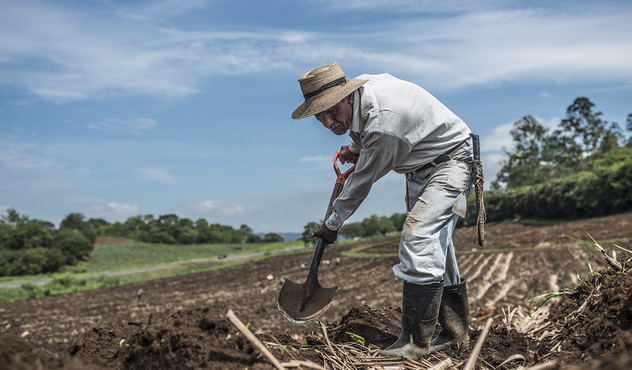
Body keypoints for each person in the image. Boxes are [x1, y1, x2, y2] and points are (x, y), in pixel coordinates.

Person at [292, 62, 477, 360]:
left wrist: (332, 223)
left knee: (418, 238)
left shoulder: (383, 125)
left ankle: (415, 343)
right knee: (435, 246)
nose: (327, 122)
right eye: (318, 115)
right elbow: (361, 130)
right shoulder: (364, 92)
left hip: (452, 161)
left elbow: (360, 182)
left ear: (348, 96)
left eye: (331, 111)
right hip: (420, 164)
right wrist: (356, 145)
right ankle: (455, 332)